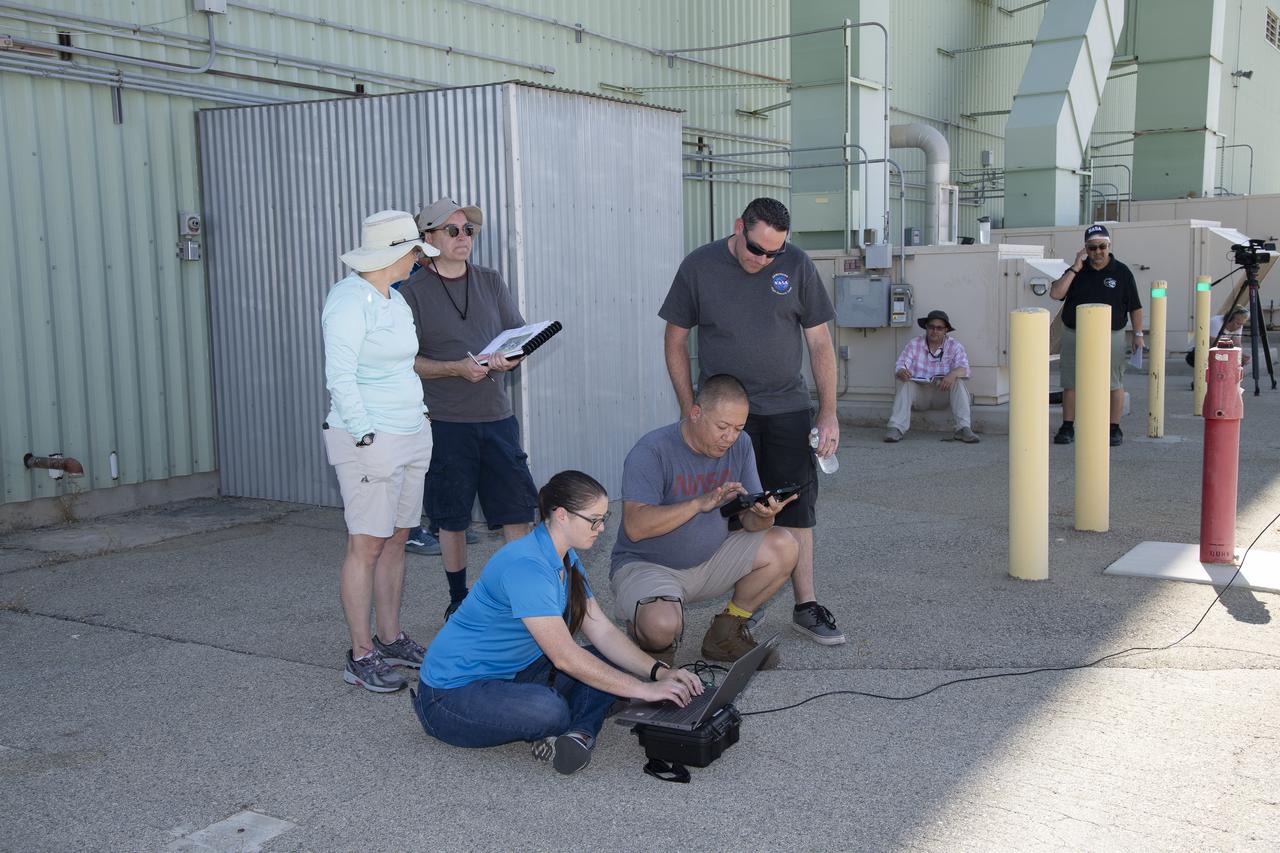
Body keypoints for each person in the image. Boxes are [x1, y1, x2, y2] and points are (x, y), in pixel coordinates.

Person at [413, 471, 705, 775]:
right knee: (549, 709)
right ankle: (575, 720)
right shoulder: (527, 566)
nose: (602, 528)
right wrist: (645, 691)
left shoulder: (566, 557)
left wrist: (659, 672)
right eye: (594, 519)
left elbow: (602, 630)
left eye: (604, 518)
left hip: (517, 670)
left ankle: (579, 735)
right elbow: (564, 657)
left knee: (608, 659)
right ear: (562, 515)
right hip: (450, 694)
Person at [660, 197, 845, 646]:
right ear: (739, 226)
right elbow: (675, 340)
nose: (763, 260)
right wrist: (690, 407)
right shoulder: (698, 266)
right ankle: (746, 605)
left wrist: (828, 411)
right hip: (724, 417)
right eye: (756, 249)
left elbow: (820, 344)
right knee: (733, 507)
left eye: (773, 253)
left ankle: (805, 605)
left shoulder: (797, 266)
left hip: (785, 408)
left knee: (794, 508)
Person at [398, 198, 538, 619]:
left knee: (516, 511)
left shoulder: (491, 281)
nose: (464, 238)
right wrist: (455, 369)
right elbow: (407, 361)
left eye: (469, 231)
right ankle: (458, 600)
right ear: (429, 239)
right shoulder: (411, 292)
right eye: (453, 231)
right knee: (452, 517)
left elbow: (517, 337)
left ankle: (520, 599)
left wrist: (509, 357)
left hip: (497, 417)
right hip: (445, 421)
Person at [322, 210, 439, 693]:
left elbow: (404, 366)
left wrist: (421, 416)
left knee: (396, 538)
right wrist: (365, 434)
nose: (418, 259)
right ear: (396, 253)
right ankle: (361, 653)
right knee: (366, 543)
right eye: (415, 250)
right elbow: (340, 375)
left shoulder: (395, 299)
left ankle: (390, 638)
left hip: (411, 431)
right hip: (369, 438)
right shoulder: (348, 301)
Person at [611, 374, 801, 666]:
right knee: (661, 626)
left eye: (739, 428)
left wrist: (764, 516)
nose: (730, 437)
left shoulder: (740, 445)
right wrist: (698, 504)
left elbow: (749, 522)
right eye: (722, 427)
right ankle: (648, 646)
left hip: (710, 561)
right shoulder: (652, 450)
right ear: (696, 413)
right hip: (649, 565)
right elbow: (635, 528)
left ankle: (725, 635)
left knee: (785, 544)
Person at [1049, 224, 1144, 447]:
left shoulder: (1122, 272)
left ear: (1109, 246)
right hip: (1075, 332)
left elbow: (1135, 307)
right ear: (1085, 249)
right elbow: (1056, 293)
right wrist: (1074, 268)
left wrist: (1138, 334)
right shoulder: (1077, 270)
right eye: (1092, 248)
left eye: (1102, 247)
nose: (1098, 252)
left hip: (1111, 334)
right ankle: (1067, 426)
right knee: (1071, 382)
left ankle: (1114, 427)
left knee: (1114, 381)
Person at [884, 309, 979, 444]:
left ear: (946, 330)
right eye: (931, 327)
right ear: (926, 328)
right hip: (920, 394)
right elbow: (900, 365)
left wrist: (952, 374)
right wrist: (902, 372)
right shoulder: (914, 344)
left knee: (958, 382)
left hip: (943, 392)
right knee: (906, 383)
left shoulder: (955, 346)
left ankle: (963, 429)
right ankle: (895, 428)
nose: (935, 331)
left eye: (939, 328)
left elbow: (964, 369)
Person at [1185, 305, 1251, 367]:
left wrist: (1240, 355)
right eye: (1238, 323)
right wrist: (1236, 356)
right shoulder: (1216, 322)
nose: (1240, 327)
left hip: (1217, 352)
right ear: (1229, 319)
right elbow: (1214, 345)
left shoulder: (1238, 325)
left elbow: (1237, 343)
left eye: (1242, 324)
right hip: (1197, 352)